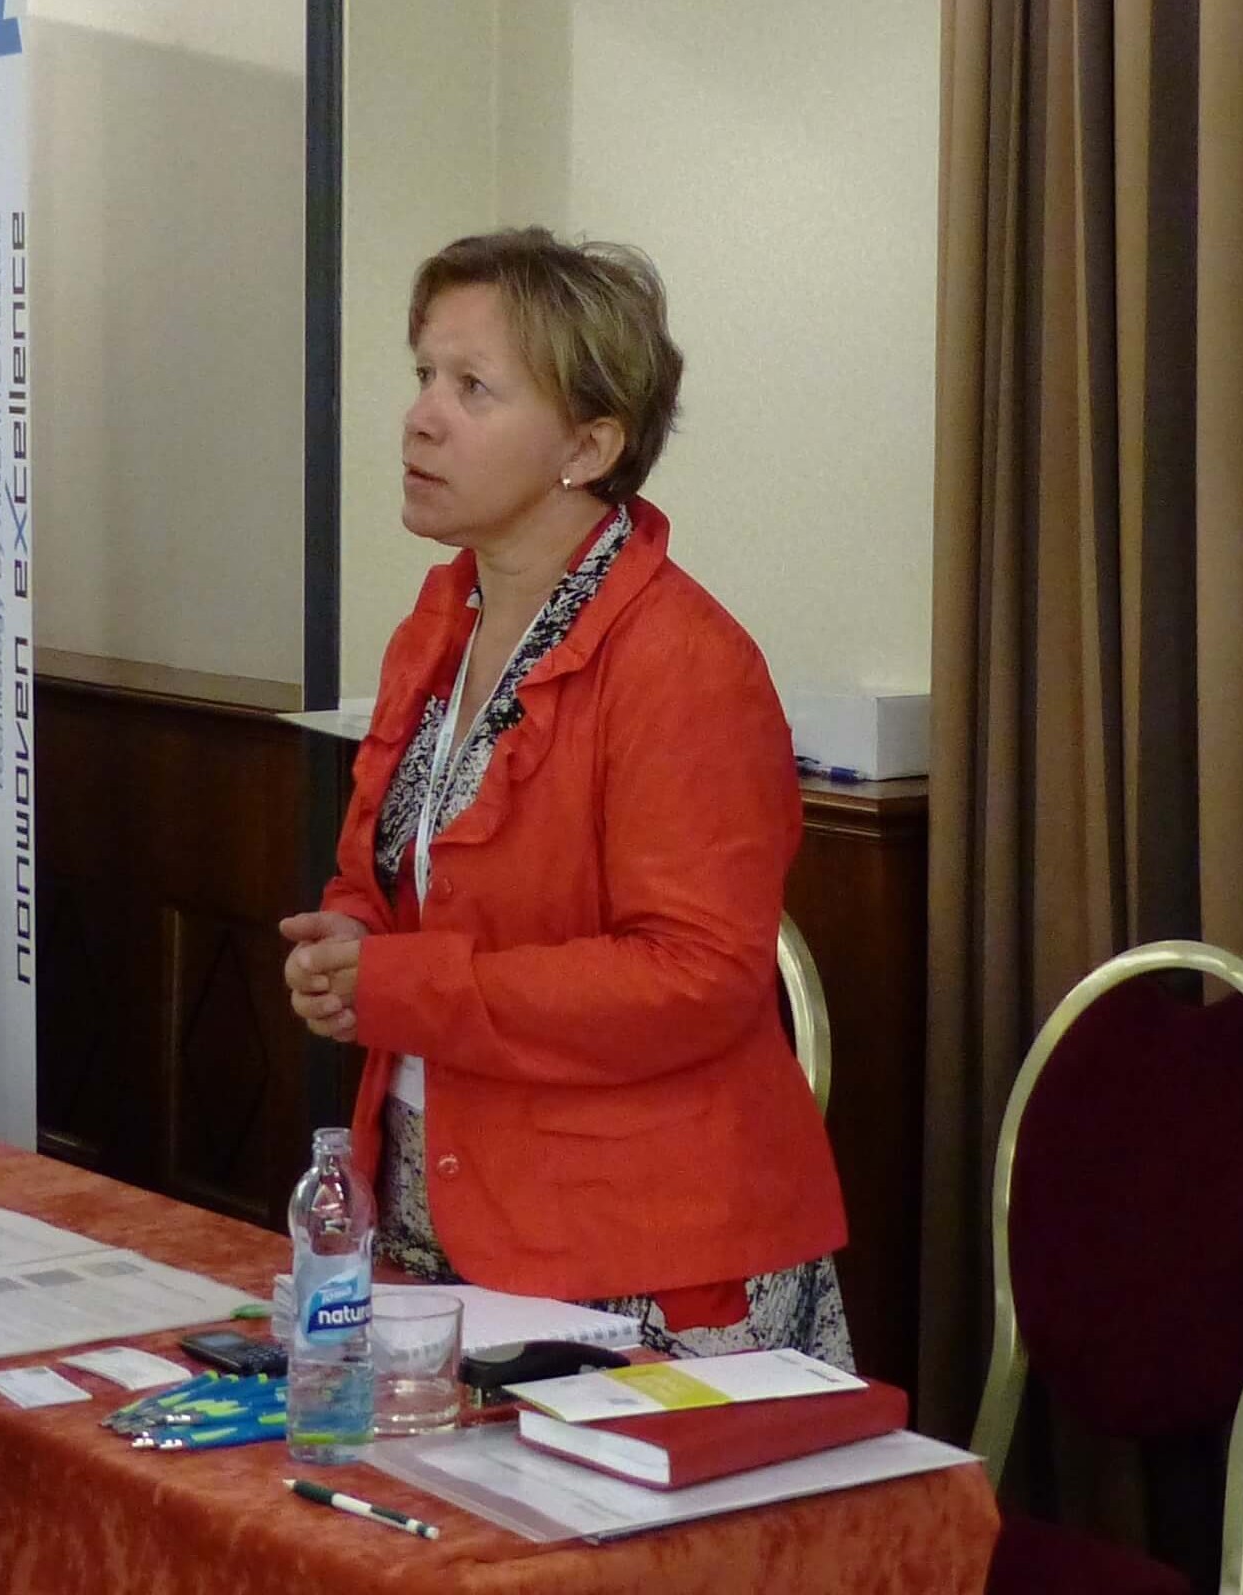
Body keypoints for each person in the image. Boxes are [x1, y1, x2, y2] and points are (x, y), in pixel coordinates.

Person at [280, 229, 852, 1366]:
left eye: (473, 388)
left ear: (588, 446)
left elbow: (696, 976)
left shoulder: (685, 661)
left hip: (643, 1251)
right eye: (423, 375)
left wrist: (405, 985)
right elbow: (390, 880)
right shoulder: (438, 627)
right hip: (442, 1217)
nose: (420, 418)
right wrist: (349, 946)